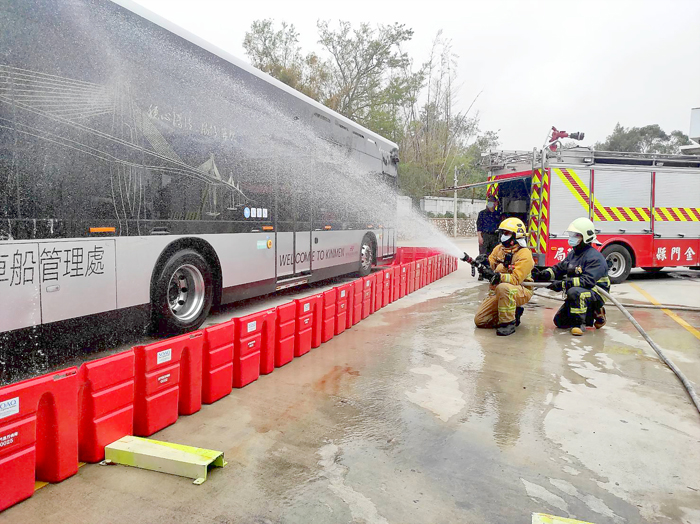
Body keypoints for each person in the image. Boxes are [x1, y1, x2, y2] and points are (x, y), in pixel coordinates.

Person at [532, 217, 610, 336]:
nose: (572, 238)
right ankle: (593, 313)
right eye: (572, 234)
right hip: (580, 290)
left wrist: (562, 284)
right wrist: (543, 274)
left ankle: (579, 324)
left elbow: (587, 281)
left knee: (574, 292)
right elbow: (560, 268)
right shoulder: (574, 253)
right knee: (560, 322)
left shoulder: (595, 258)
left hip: (596, 292)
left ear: (585, 237)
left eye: (576, 235)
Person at [474, 217, 534, 336]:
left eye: (506, 233)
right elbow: (491, 262)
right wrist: (484, 263)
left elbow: (516, 279)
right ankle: (514, 311)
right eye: (502, 233)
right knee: (480, 321)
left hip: (521, 290)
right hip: (499, 291)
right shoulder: (499, 248)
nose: (502, 236)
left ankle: (508, 323)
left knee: (503, 288)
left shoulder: (524, 253)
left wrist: (498, 277)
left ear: (516, 235)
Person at [476, 195, 502, 280]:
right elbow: (479, 226)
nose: (490, 203)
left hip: (494, 237)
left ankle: (490, 273)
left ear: (496, 203)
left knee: (493, 256)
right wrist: (480, 237)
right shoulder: (482, 213)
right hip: (485, 236)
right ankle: (481, 273)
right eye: (489, 201)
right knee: (483, 255)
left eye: (492, 202)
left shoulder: (497, 214)